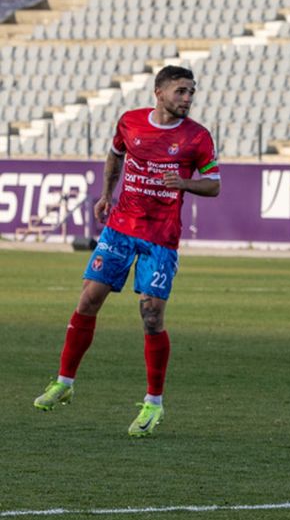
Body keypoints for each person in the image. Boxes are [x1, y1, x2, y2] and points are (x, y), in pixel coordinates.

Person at [31, 66, 222, 437]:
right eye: (181, 91)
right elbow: (115, 155)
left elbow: (213, 185)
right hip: (120, 228)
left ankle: (154, 403)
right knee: (89, 298)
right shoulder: (130, 122)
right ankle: (64, 382)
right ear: (159, 92)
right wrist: (106, 194)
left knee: (151, 315)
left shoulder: (197, 137)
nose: (187, 98)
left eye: (191, 92)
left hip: (161, 237)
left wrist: (183, 182)